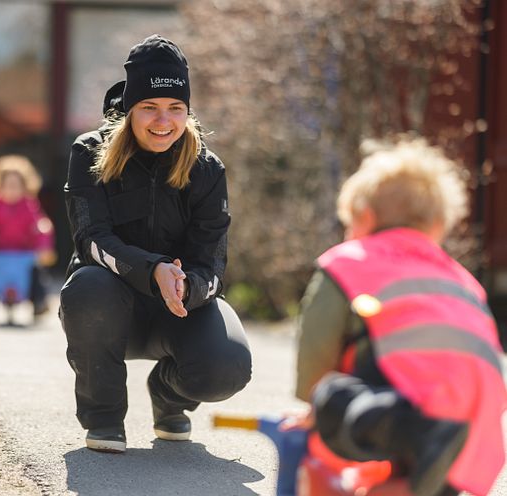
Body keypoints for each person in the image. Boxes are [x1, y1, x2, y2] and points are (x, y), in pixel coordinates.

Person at [60, 34, 252, 453]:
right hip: (110, 309)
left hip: (179, 310)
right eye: (149, 107)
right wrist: (153, 271)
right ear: (130, 110)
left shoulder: (207, 168)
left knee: (229, 366)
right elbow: (91, 240)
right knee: (87, 287)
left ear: (187, 111)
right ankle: (105, 417)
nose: (163, 120)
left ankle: (168, 395)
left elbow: (213, 263)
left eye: (175, 109)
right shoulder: (89, 152)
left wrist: (189, 286)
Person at [294, 137, 507, 496]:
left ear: (365, 217)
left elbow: (318, 336)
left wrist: (312, 402)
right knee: (408, 480)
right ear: (437, 226)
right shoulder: (463, 281)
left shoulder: (351, 261)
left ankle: (415, 433)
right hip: (478, 422)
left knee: (333, 393)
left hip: (414, 413)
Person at [0, 155, 56, 323]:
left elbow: (40, 225)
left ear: (25, 187)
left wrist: (44, 245)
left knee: (37, 271)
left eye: (16, 186)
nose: (12, 190)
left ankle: (38, 301)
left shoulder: (29, 206)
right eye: (8, 186)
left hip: (24, 255)